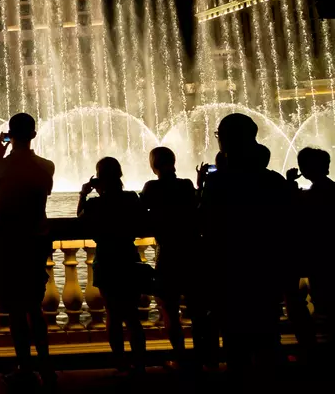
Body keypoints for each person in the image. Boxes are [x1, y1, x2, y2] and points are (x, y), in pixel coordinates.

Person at [199, 113, 292, 375]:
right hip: (266, 269)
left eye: (219, 135)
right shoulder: (273, 181)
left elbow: (207, 225)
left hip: (231, 271)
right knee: (266, 334)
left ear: (228, 141)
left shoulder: (219, 182)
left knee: (235, 340)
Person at [0, 113, 55, 386]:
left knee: (14, 309)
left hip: (6, 245)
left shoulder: (0, 167)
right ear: (34, 135)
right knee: (34, 307)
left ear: (9, 136)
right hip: (35, 244)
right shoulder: (47, 166)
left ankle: (25, 366)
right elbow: (44, 191)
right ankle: (45, 365)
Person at [79, 157, 149, 374]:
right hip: (127, 256)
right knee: (132, 315)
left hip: (106, 258)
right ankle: (140, 363)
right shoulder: (130, 198)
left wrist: (84, 194)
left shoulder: (95, 203)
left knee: (113, 314)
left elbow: (81, 218)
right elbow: (141, 220)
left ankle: (120, 362)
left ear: (98, 178)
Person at [140, 146, 206, 369]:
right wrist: (200, 184)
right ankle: (202, 356)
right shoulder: (186, 185)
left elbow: (139, 215)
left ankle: (181, 357)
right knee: (198, 310)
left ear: (153, 165)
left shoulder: (152, 188)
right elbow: (198, 206)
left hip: (168, 254)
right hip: (192, 252)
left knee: (169, 308)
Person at [289, 148, 335, 328]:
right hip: (324, 253)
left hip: (321, 255)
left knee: (323, 296)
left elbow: (298, 211)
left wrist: (290, 185)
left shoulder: (318, 192)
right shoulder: (328, 188)